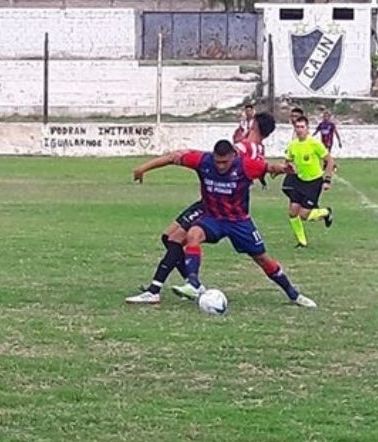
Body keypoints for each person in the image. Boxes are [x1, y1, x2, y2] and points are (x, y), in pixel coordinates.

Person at [126, 124, 316, 308]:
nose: (221, 166)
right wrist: (143, 168)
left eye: (225, 162)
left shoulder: (246, 165)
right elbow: (173, 157)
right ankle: (192, 284)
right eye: (218, 162)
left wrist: (284, 169)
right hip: (213, 218)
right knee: (192, 234)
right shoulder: (203, 161)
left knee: (262, 259)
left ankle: (293, 294)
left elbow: (268, 168)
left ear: (234, 156)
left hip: (239, 222)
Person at [282, 115, 335, 248]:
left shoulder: (314, 144)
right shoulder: (293, 145)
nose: (299, 130)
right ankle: (302, 242)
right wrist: (287, 167)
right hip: (299, 181)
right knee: (293, 212)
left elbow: (330, 161)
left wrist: (327, 180)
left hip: (314, 182)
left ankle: (326, 212)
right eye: (297, 127)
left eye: (302, 127)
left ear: (307, 129)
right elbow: (288, 160)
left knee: (304, 215)